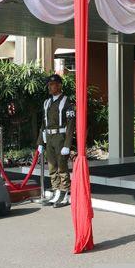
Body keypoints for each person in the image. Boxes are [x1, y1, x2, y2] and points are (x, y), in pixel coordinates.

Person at [37, 74, 75, 208]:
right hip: (49, 137)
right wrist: (40, 142)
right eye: (49, 85)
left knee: (62, 167)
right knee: (52, 167)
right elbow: (43, 124)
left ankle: (65, 194)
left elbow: (71, 124)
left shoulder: (66, 101)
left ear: (59, 86)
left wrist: (67, 144)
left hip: (60, 138)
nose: (50, 87)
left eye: (52, 85)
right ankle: (56, 191)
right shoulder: (47, 103)